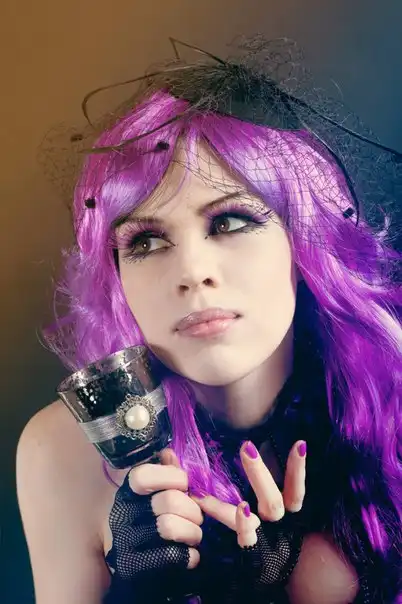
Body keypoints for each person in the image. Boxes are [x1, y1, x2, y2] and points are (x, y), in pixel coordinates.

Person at [16, 36, 402, 604]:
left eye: (230, 222)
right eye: (146, 240)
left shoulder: (392, 405)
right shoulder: (66, 452)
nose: (192, 273)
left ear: (305, 244)